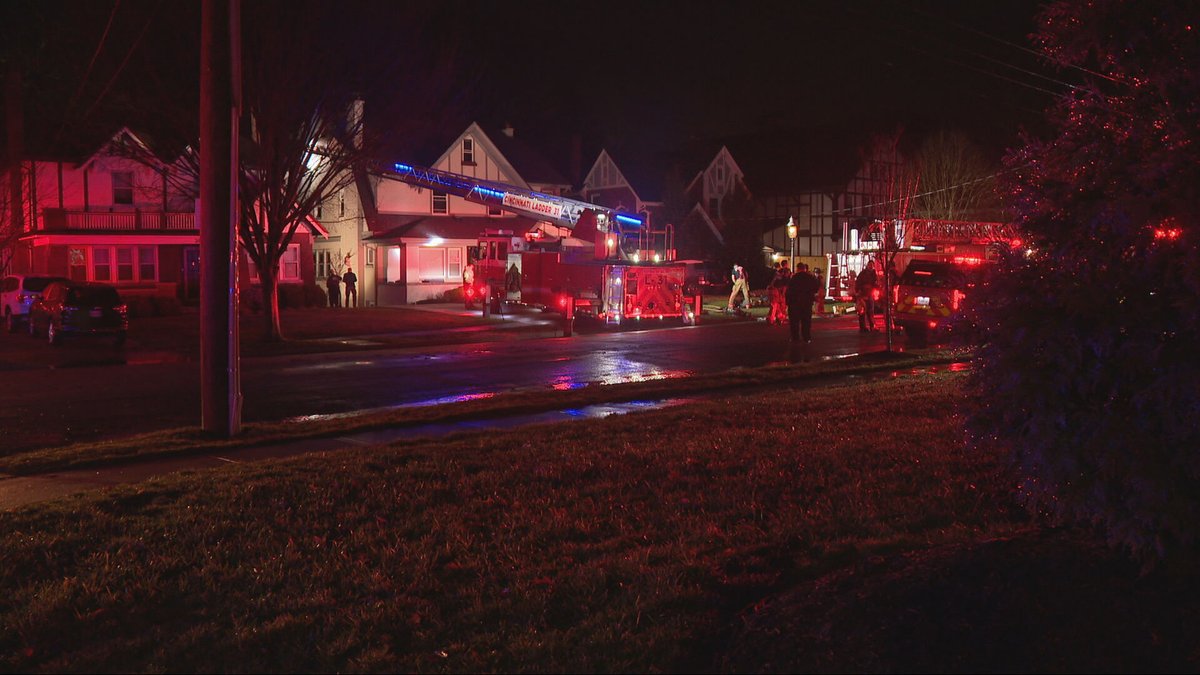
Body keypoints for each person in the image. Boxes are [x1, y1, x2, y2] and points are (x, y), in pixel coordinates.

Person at [785, 262, 821, 343]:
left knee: (794, 322)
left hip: (794, 303)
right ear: (805, 268)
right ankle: (806, 337)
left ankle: (795, 337)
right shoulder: (810, 277)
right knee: (806, 321)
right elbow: (816, 288)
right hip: (807, 303)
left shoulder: (793, 278)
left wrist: (788, 302)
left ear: (797, 268)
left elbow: (789, 291)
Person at [855, 262, 879, 332]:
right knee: (862, 311)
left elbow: (876, 283)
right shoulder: (863, 274)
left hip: (870, 294)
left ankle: (872, 326)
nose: (871, 266)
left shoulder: (874, 274)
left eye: (872, 265)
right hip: (863, 294)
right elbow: (858, 282)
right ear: (867, 265)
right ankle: (863, 327)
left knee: (870, 311)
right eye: (869, 265)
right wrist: (858, 291)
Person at [767, 260, 790, 325]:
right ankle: (777, 318)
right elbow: (783, 282)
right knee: (777, 305)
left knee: (775, 305)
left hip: (774, 289)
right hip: (776, 289)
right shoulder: (781, 272)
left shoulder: (776, 272)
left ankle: (775, 318)